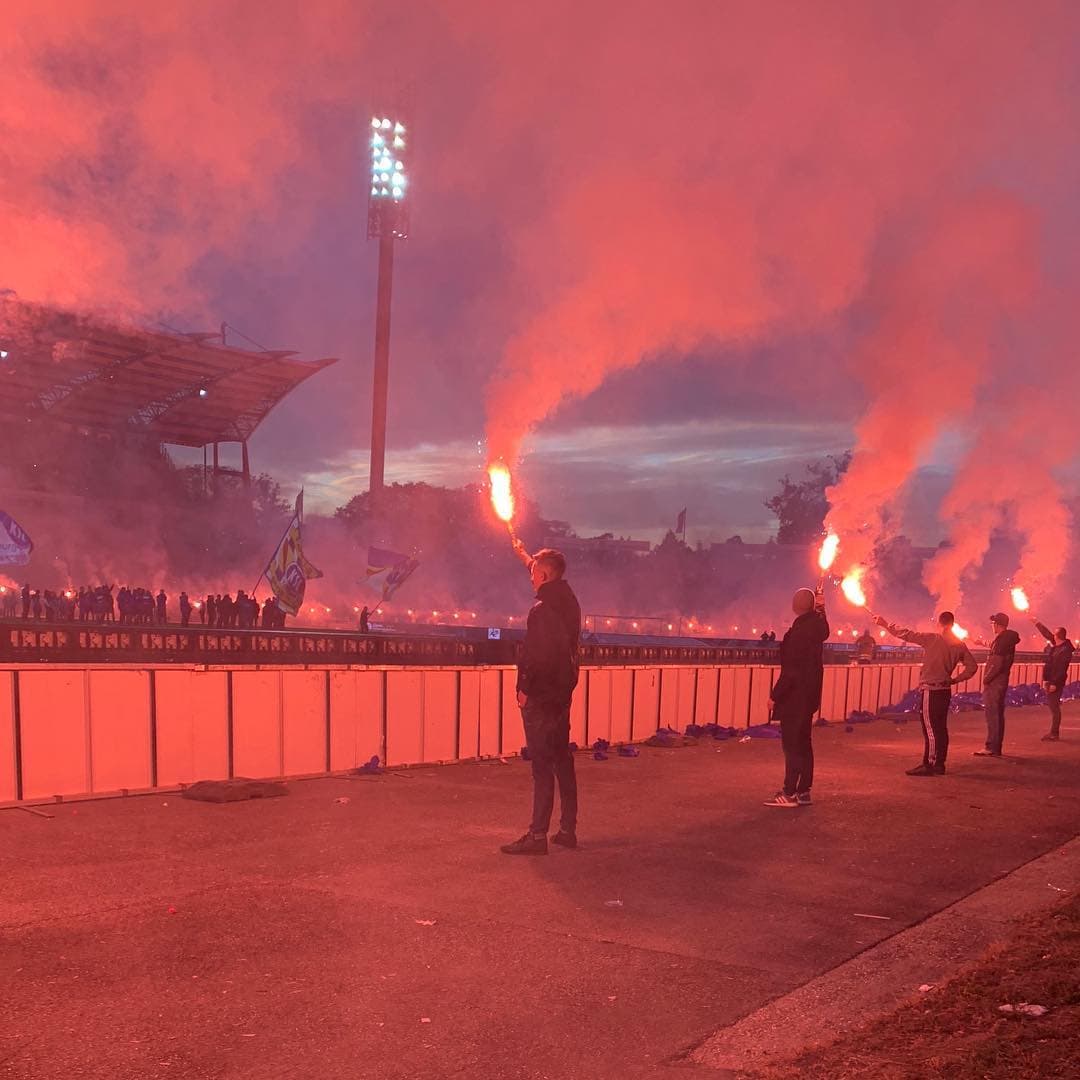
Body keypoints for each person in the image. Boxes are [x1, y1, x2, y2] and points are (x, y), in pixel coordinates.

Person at [501, 546, 581, 855]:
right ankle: (568, 829)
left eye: (534, 573)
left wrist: (523, 689)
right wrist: (526, 556)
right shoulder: (569, 602)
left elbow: (534, 656)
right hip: (561, 696)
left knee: (542, 765)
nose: (530, 577)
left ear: (544, 575)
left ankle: (537, 836)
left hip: (541, 698)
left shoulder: (541, 610)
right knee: (563, 759)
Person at [875, 611, 976, 775]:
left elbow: (907, 634)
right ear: (952, 624)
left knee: (930, 728)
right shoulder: (960, 645)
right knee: (941, 728)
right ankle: (939, 763)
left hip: (931, 690)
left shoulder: (933, 639)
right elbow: (972, 667)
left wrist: (885, 624)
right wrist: (955, 680)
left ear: (939, 623)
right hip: (945, 690)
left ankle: (929, 764)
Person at [764, 586, 829, 807]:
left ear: (794, 607)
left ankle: (789, 792)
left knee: (791, 746)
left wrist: (775, 695)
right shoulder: (817, 628)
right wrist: (821, 606)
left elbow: (790, 671)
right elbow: (824, 627)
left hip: (794, 697)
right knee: (804, 743)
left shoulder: (799, 633)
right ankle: (803, 791)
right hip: (810, 696)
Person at [974, 613, 1020, 757]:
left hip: (995, 682)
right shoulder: (1005, 640)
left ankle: (991, 747)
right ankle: (996, 746)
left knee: (992, 714)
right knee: (998, 714)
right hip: (1001, 680)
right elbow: (995, 648)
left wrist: (986, 679)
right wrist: (982, 643)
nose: (991, 626)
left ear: (998, 624)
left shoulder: (1002, 641)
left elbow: (997, 662)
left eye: (993, 623)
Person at [1031, 614, 1073, 741]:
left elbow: (1061, 669)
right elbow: (1047, 634)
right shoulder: (1059, 645)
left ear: (1058, 636)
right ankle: (1054, 733)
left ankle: (1054, 733)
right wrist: (1036, 623)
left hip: (1056, 682)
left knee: (1054, 707)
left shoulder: (1064, 650)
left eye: (1055, 634)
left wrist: (1054, 683)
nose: (1052, 636)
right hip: (1051, 681)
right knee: (1053, 706)